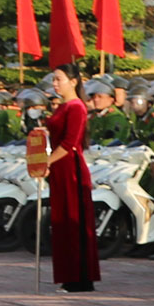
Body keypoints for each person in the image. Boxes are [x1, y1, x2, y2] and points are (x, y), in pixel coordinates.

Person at [38, 67, 101, 293]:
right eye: (53, 79)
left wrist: (46, 162)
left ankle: (79, 278)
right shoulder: (62, 106)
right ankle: (68, 275)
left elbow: (70, 143)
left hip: (71, 169)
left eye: (59, 79)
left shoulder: (76, 107)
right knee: (62, 223)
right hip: (59, 168)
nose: (55, 84)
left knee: (74, 222)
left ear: (73, 81)